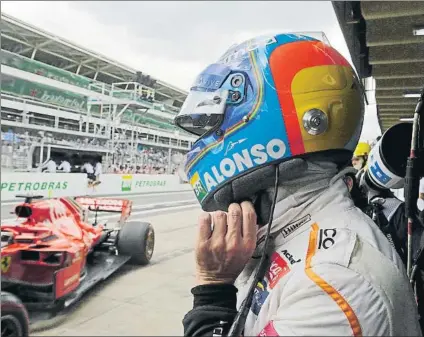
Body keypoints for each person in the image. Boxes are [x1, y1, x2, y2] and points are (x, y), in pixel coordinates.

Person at [174, 33, 422, 336]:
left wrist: (212, 290)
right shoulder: (294, 231)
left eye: (217, 121)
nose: (207, 137)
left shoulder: (336, 279)